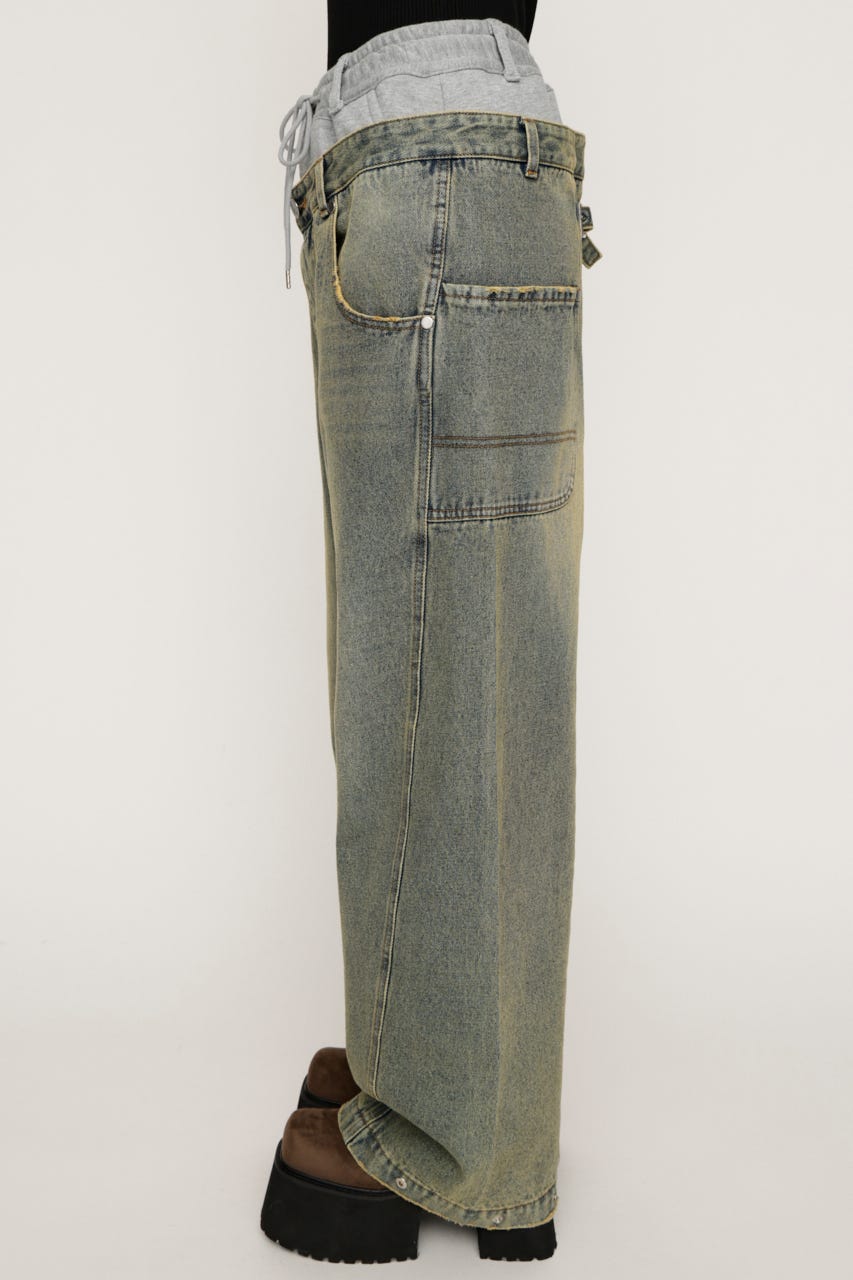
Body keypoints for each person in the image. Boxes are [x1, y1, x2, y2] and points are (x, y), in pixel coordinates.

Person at [261, 9, 602, 1264]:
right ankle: (441, 1069)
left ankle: (451, 1138)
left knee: (433, 668)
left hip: (435, 172)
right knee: (456, 661)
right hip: (454, 165)